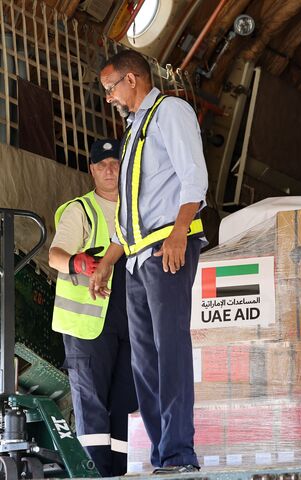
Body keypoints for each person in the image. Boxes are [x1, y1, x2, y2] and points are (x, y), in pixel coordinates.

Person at [89, 50, 208, 474]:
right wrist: (108, 261)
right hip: (138, 259)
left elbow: (194, 176)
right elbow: (131, 211)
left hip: (166, 250)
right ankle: (163, 455)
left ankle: (179, 454)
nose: (109, 98)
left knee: (169, 349)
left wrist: (179, 232)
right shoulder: (134, 128)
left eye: (110, 88)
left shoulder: (169, 111)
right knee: (144, 360)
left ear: (133, 80)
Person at [49, 139, 138, 477]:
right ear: (92, 170)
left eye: (115, 162)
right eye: (102, 164)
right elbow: (55, 256)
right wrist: (79, 263)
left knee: (127, 406)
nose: (110, 169)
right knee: (92, 405)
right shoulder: (81, 210)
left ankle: (122, 473)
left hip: (131, 320)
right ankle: (93, 473)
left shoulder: (139, 210)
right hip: (88, 324)